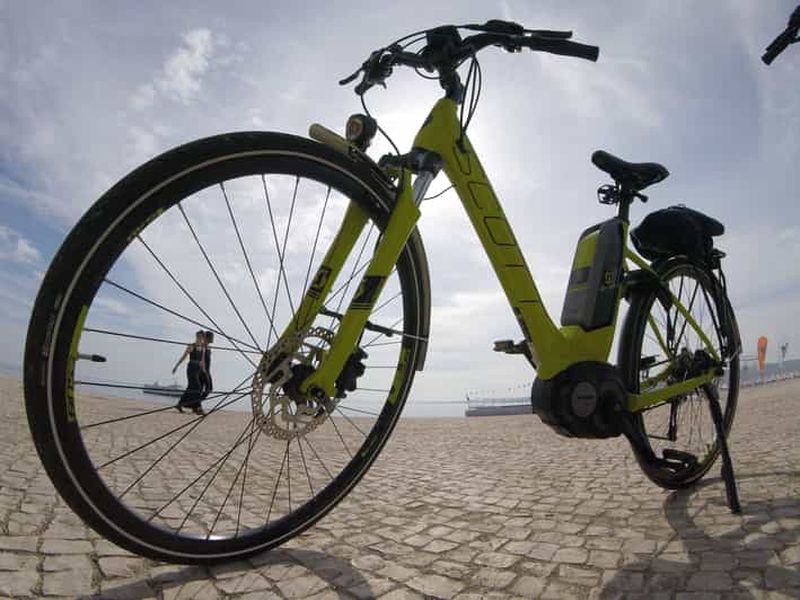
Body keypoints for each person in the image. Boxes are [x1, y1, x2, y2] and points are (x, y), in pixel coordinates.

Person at [172, 330, 207, 415]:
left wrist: (204, 371)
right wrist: (176, 366)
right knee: (197, 387)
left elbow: (202, 361)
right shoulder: (191, 346)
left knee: (191, 388)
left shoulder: (203, 347)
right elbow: (184, 356)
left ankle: (180, 404)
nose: (198, 338)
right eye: (197, 336)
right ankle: (198, 408)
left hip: (198, 369)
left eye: (200, 337)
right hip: (191, 368)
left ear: (203, 338)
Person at [199, 330, 214, 401]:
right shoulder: (202, 346)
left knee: (201, 389)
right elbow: (201, 358)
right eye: (211, 337)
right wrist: (203, 370)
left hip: (207, 370)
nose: (213, 339)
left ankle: (196, 404)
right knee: (208, 388)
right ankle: (196, 404)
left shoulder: (208, 347)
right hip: (203, 370)